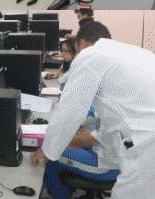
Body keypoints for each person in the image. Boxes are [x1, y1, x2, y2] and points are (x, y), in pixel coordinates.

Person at [33, 21, 155, 197]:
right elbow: (116, 114)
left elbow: (69, 112)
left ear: (82, 43)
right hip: (136, 140)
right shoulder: (133, 53)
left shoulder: (91, 54)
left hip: (142, 146)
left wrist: (48, 149)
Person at [31, 105, 120, 199]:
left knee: (53, 157)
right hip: (109, 152)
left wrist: (50, 148)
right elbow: (95, 120)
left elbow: (85, 140)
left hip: (106, 165)